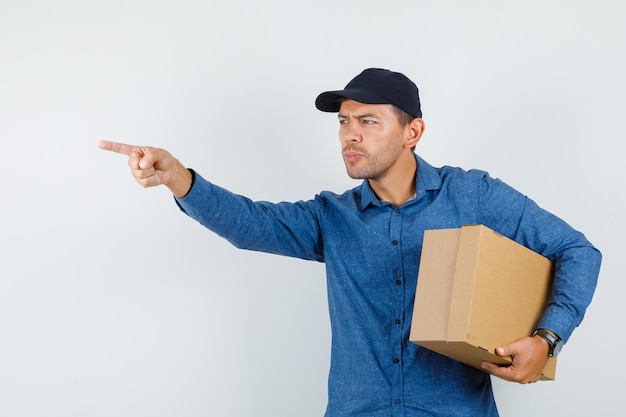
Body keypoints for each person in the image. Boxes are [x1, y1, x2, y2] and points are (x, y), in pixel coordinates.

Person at [99, 68, 602, 416]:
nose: (349, 136)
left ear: (413, 132)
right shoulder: (332, 216)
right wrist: (179, 179)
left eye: (367, 122)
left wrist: (547, 339)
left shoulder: (473, 194)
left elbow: (577, 251)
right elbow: (250, 223)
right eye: (343, 122)